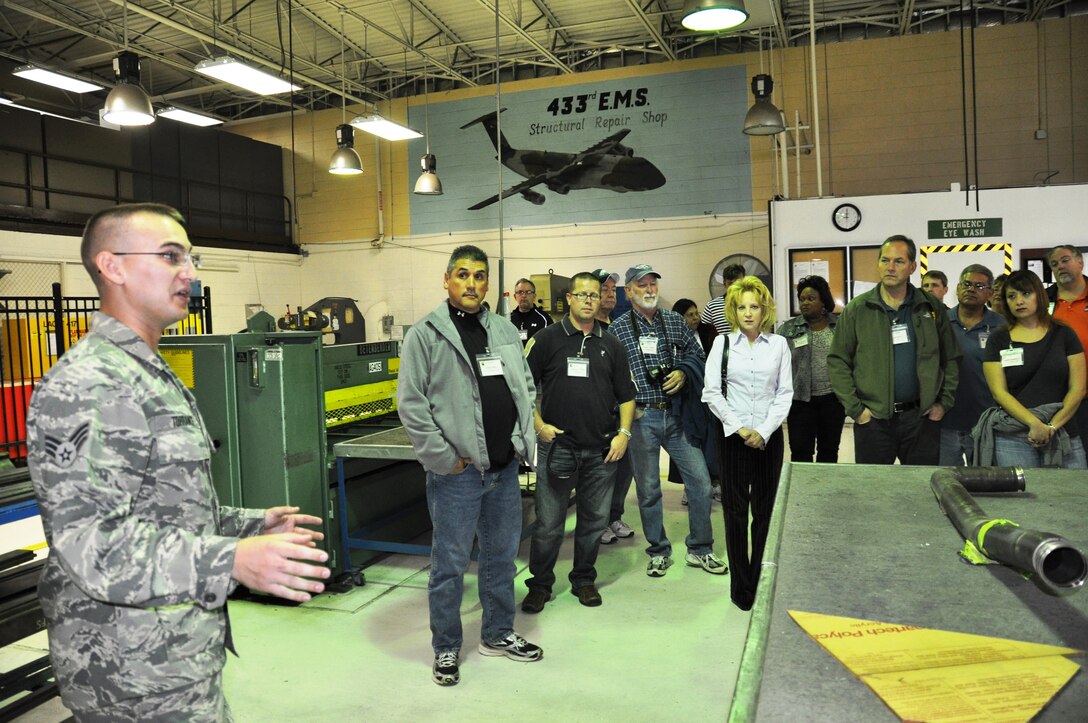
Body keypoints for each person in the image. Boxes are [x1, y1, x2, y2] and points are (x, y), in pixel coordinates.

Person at [25, 203, 330, 721]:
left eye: (190, 257)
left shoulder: (145, 371)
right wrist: (231, 559)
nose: (189, 272)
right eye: (170, 257)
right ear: (113, 266)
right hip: (127, 675)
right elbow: (90, 544)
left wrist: (249, 526)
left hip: (173, 661)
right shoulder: (89, 384)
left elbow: (164, 510)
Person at [397, 245, 543, 687]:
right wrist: (445, 459)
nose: (472, 284)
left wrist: (520, 440)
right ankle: (445, 645)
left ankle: (497, 634)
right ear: (447, 280)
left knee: (501, 559)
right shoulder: (425, 335)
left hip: (502, 472)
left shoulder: (502, 329)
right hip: (456, 477)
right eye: (463, 275)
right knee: (450, 565)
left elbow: (525, 389)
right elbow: (411, 404)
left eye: (479, 276)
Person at [521, 272, 636, 612]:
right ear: (569, 299)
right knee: (548, 525)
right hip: (558, 448)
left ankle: (583, 579)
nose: (588, 300)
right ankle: (539, 585)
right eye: (581, 294)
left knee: (593, 523)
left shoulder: (612, 344)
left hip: (601, 452)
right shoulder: (545, 340)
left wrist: (624, 434)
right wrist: (538, 425)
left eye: (594, 294)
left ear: (601, 300)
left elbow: (627, 395)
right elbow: (523, 389)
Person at [608, 264, 726, 577]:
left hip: (676, 415)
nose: (649, 290)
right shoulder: (617, 330)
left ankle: (700, 548)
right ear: (630, 291)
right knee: (648, 490)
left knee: (700, 482)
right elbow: (609, 375)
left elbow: (697, 355)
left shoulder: (674, 321)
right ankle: (658, 550)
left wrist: (683, 372)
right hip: (641, 418)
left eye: (652, 284)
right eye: (642, 285)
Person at [827, 235, 960, 465]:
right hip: (874, 421)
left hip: (921, 419)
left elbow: (951, 358)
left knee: (921, 491)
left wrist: (943, 403)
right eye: (884, 260)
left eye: (898, 261)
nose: (890, 267)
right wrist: (857, 410)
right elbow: (838, 361)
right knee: (875, 492)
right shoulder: (857, 310)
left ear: (912, 267)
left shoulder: (930, 307)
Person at [702, 277, 792, 611]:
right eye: (742, 307)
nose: (749, 313)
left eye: (754, 306)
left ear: (765, 308)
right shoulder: (722, 344)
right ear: (733, 311)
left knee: (766, 513)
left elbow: (785, 393)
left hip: (768, 439)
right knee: (736, 513)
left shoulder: (779, 345)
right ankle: (741, 587)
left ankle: (760, 578)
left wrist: (764, 431)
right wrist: (740, 429)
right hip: (733, 439)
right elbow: (711, 391)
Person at [976, 270, 1085, 468]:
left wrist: (1051, 427)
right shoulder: (998, 339)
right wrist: (1034, 424)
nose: (1019, 301)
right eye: (1012, 296)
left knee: (1075, 496)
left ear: (1039, 295)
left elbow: (1078, 389)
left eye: (1026, 293)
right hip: (1013, 437)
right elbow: (999, 392)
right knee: (1022, 498)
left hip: (1062, 431)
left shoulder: (1064, 334)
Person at [940, 265, 1006, 465]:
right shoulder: (940, 322)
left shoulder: (1002, 326)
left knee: (986, 485)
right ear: (958, 288)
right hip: (944, 422)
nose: (971, 289)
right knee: (946, 484)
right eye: (966, 284)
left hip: (985, 423)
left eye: (979, 286)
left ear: (990, 293)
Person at [776, 275, 846, 463]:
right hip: (800, 402)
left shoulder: (839, 326)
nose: (805, 303)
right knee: (800, 453)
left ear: (823, 300)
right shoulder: (788, 329)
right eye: (802, 299)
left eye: (811, 299)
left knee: (829, 451)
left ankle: (824, 491)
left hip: (833, 400)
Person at [592, 268, 638, 545]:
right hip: (596, 418)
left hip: (623, 415)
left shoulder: (620, 327)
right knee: (600, 473)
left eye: (612, 290)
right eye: (603, 290)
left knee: (624, 470)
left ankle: (613, 516)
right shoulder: (587, 330)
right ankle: (597, 523)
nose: (609, 295)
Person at [668, 298, 720, 504]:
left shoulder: (708, 333)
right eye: (690, 315)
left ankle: (715, 482)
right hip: (687, 397)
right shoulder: (674, 336)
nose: (696, 318)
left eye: (696, 313)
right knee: (689, 441)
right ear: (679, 318)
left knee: (711, 441)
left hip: (710, 395)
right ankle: (690, 487)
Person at [1045, 245, 1088, 452]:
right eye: (1054, 264)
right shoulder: (1043, 301)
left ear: (1080, 262)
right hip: (1058, 400)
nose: (1059, 266)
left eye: (1064, 260)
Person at [700, 263, 747, 335]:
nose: (734, 287)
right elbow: (703, 333)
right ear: (724, 284)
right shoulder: (712, 306)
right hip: (722, 345)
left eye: (738, 283)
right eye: (730, 283)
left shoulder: (754, 305)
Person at [508, 277, 552, 344]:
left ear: (534, 296)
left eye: (528, 292)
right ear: (515, 296)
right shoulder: (509, 319)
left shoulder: (544, 319)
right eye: (520, 292)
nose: (524, 296)